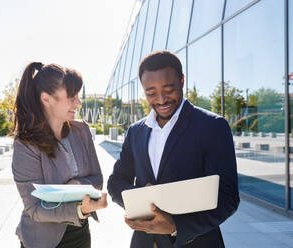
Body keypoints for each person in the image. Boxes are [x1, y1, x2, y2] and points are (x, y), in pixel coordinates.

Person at [107, 50, 239, 248]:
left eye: (168, 89)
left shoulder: (213, 126)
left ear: (182, 80)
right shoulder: (135, 132)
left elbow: (228, 197)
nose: (160, 100)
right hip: (143, 242)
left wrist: (175, 226)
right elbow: (116, 181)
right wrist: (140, 203)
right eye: (151, 92)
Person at [12, 62, 107, 248]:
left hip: (80, 233)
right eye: (72, 97)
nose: (78, 103)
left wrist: (77, 185)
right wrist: (79, 207)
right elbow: (34, 208)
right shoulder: (25, 144)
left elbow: (97, 178)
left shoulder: (81, 130)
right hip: (43, 241)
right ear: (46, 99)